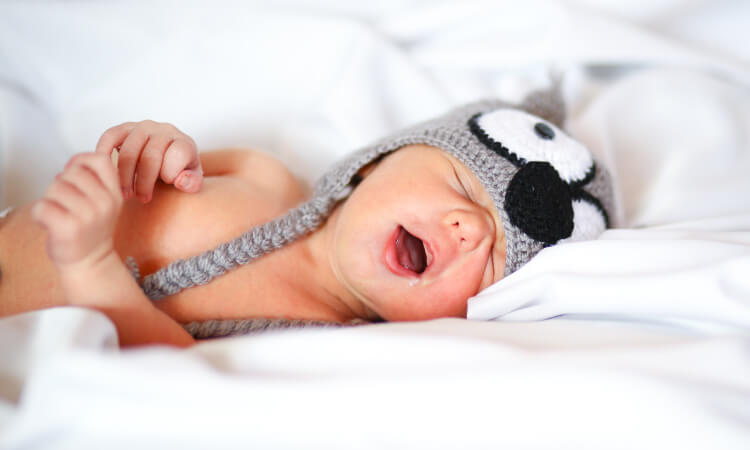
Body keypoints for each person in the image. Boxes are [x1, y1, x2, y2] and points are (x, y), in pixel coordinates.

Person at [0, 89, 614, 348]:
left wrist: (88, 265)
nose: (470, 231)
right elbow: (134, 167)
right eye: (461, 185)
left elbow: (164, 361)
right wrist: (147, 146)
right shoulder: (260, 174)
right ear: (376, 163)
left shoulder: (317, 338)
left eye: (493, 265)